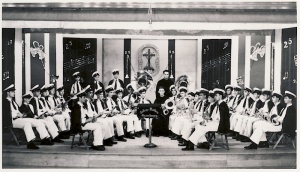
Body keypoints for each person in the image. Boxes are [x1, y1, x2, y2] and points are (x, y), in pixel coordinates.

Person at [3, 85, 50, 149]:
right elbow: (6, 114)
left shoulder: (13, 102)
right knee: (27, 124)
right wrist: (17, 115)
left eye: (14, 92)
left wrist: (21, 114)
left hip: (19, 119)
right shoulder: (5, 102)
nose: (14, 93)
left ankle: (44, 139)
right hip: (12, 121)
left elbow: (17, 111)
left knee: (37, 122)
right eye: (12, 92)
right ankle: (30, 142)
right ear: (8, 93)